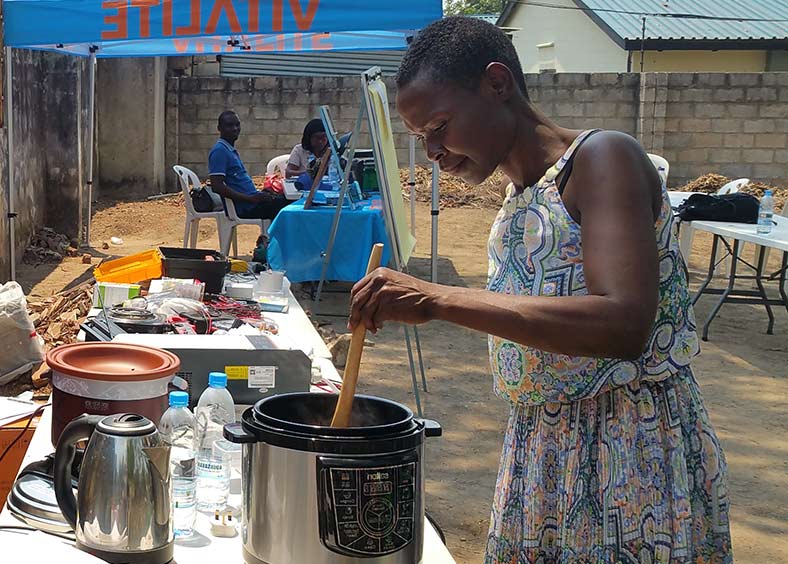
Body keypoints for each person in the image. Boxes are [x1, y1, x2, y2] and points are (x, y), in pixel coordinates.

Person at [348, 17, 732, 564]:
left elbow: (622, 322)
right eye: (420, 137)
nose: (432, 150)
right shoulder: (519, 197)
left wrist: (438, 299)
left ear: (497, 84)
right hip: (540, 450)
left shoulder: (603, 160)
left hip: (627, 449)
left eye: (439, 125)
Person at [209, 110, 289, 220]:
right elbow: (217, 186)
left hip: (252, 202)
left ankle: (271, 236)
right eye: (229, 125)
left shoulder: (229, 150)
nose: (235, 129)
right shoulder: (219, 151)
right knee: (290, 206)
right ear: (219, 128)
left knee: (284, 198)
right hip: (246, 208)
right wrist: (250, 199)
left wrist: (259, 194)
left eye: (237, 125)